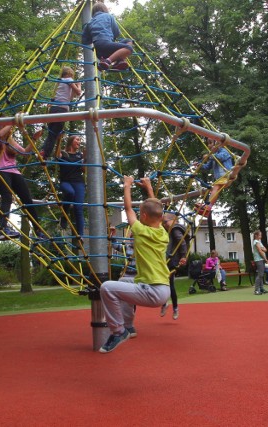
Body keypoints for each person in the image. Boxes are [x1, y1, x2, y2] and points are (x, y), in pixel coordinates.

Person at [98, 177, 170, 353]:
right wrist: (149, 188)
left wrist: (127, 185)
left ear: (143, 216)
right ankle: (128, 326)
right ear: (160, 217)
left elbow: (128, 208)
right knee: (123, 283)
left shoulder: (140, 230)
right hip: (161, 288)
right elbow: (156, 208)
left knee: (107, 288)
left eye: (141, 213)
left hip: (152, 291)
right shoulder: (162, 232)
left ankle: (118, 331)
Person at [0, 125, 44, 240]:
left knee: (27, 199)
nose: (10, 129)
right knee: (7, 197)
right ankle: (3, 229)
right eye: (7, 126)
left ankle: (38, 230)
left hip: (14, 171)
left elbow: (25, 152)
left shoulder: (10, 141)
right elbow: (1, 135)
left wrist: (34, 139)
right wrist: (12, 122)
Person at [40, 66, 82, 159]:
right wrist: (79, 84)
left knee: (52, 134)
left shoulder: (61, 82)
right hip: (61, 110)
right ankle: (44, 153)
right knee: (54, 134)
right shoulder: (69, 79)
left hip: (54, 109)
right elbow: (79, 92)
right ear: (69, 74)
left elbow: (70, 98)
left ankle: (44, 152)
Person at [81, 2, 134, 71]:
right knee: (129, 47)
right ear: (105, 9)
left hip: (99, 52)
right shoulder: (108, 16)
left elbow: (85, 41)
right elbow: (116, 33)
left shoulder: (89, 23)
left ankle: (118, 61)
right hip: (107, 44)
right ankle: (108, 61)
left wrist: (93, 36)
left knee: (127, 41)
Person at [160, 213, 189, 319]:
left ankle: (174, 307)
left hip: (172, 261)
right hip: (167, 260)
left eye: (165, 222)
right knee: (163, 282)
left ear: (174, 220)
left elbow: (182, 243)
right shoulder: (169, 230)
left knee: (169, 283)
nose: (164, 224)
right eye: (163, 222)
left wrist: (183, 256)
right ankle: (166, 304)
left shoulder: (175, 229)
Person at [194, 139, 234, 217]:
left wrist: (209, 156)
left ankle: (208, 206)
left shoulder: (224, 151)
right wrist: (199, 165)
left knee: (215, 188)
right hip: (220, 178)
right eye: (208, 143)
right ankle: (207, 209)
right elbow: (207, 166)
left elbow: (220, 157)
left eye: (210, 143)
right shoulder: (214, 154)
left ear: (218, 143)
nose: (209, 145)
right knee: (214, 190)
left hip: (226, 175)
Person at [57, 135, 85, 237]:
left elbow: (84, 170)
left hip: (78, 182)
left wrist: (85, 159)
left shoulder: (80, 156)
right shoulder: (63, 154)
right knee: (70, 193)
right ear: (71, 141)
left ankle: (80, 235)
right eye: (77, 139)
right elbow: (56, 155)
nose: (79, 141)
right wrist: (59, 140)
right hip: (66, 182)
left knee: (78, 207)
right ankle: (64, 217)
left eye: (80, 140)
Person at [252, 230, 268, 295]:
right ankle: (256, 290)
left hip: (261, 259)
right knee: (260, 275)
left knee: (261, 275)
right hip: (259, 259)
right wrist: (265, 258)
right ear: (256, 235)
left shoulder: (259, 242)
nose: (261, 236)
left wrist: (262, 249)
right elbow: (260, 251)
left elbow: (265, 249)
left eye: (261, 235)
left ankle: (261, 288)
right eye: (260, 235)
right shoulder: (256, 242)